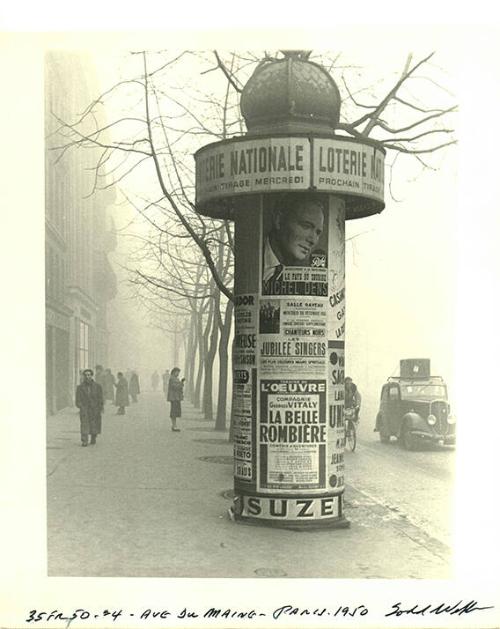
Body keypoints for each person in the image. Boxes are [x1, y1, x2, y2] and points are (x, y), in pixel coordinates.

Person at [262, 194, 325, 294]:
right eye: (306, 226)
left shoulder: (305, 276)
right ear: (279, 220)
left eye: (318, 232)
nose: (313, 240)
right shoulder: (251, 257)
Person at [75, 368, 104, 447]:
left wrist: (100, 407)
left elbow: (100, 398)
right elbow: (78, 400)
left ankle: (93, 437)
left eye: (89, 375)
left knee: (94, 424)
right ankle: (84, 440)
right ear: (84, 376)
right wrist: (81, 406)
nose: (87, 377)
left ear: (92, 376)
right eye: (86, 375)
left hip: (94, 409)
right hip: (85, 409)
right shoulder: (80, 387)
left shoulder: (98, 387)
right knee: (84, 424)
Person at [167, 367, 184, 432]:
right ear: (174, 372)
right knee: (174, 412)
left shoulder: (175, 378)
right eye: (177, 372)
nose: (178, 373)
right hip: (174, 397)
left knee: (175, 412)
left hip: (176, 397)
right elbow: (175, 387)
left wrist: (181, 383)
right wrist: (181, 383)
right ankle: (174, 426)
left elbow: (178, 386)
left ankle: (174, 425)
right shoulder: (172, 379)